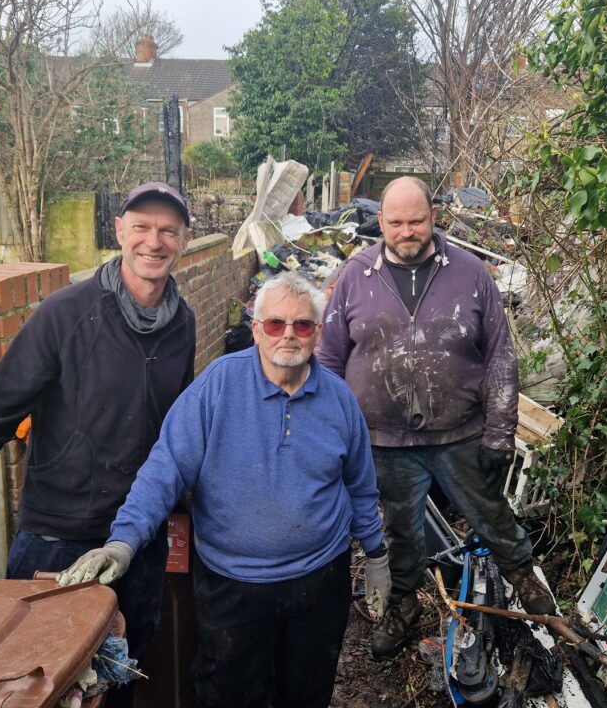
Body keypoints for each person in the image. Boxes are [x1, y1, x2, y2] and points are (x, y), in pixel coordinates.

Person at [0, 182, 197, 708]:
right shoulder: (65, 315)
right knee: (41, 688)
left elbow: (173, 436)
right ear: (119, 231)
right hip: (57, 541)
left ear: (185, 240)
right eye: (141, 226)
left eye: (168, 230)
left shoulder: (181, 323)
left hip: (135, 545)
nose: (154, 241)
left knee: (122, 673)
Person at [58, 271, 391, 708]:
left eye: (302, 325)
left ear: (318, 333)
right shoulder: (218, 386)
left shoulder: (339, 400)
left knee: (307, 690)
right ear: (256, 330)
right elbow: (166, 468)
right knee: (227, 692)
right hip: (234, 585)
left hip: (319, 579)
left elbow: (361, 488)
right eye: (275, 324)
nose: (288, 335)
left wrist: (378, 556)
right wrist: (124, 541)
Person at [317, 175, 555, 660]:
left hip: (460, 434)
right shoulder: (354, 276)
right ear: (380, 221)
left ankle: (531, 590)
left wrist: (500, 431)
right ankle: (404, 608)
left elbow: (501, 357)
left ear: (435, 217)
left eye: (417, 220)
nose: (408, 232)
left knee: (490, 514)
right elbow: (328, 360)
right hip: (383, 441)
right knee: (401, 532)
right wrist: (334, 434)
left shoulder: (471, 273)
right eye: (397, 222)